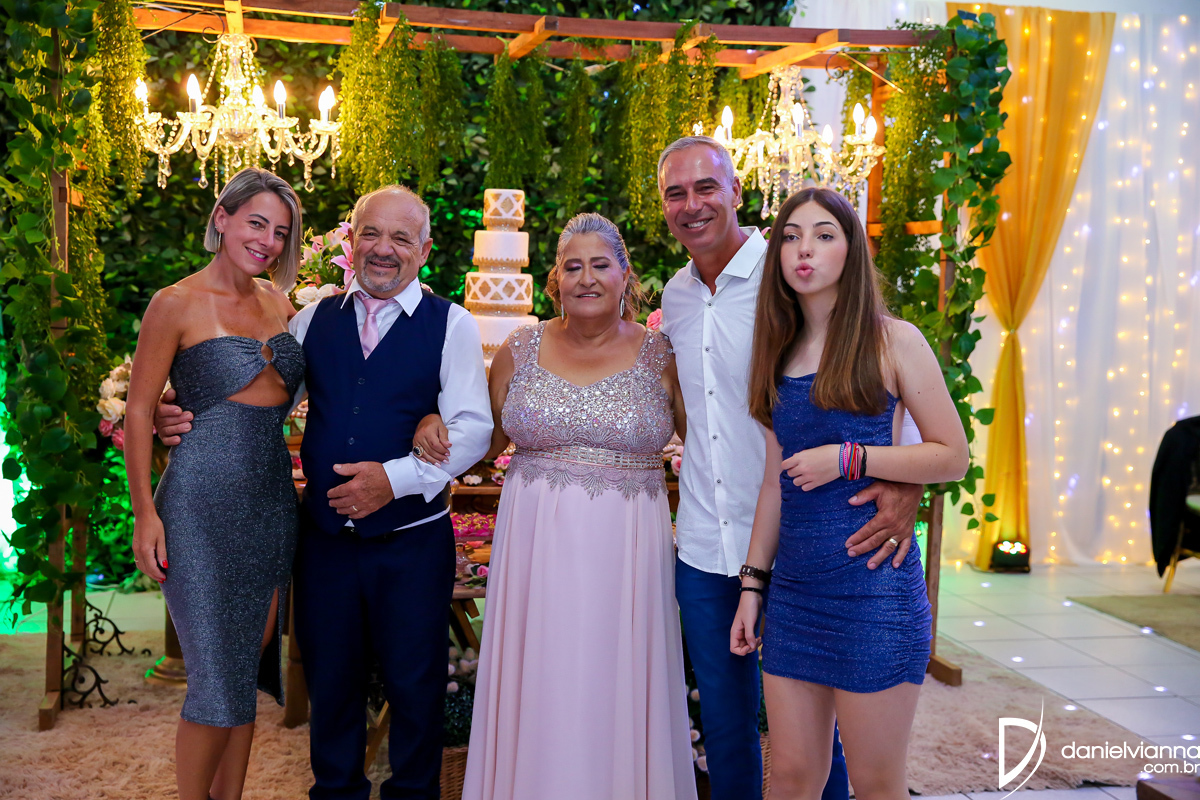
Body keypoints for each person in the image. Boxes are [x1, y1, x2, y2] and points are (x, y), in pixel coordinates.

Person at [155, 185, 492, 800]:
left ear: (424, 251)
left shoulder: (453, 323)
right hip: (326, 543)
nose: (383, 249)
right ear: (351, 242)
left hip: (412, 544)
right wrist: (176, 408)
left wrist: (396, 476)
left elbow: (473, 429)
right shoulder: (309, 321)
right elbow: (258, 394)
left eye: (401, 238)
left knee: (414, 688)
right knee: (331, 688)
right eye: (371, 234)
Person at [656, 137, 926, 800]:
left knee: (820, 740)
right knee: (726, 729)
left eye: (706, 187)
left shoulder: (791, 281)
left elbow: (887, 394)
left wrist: (905, 482)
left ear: (736, 190)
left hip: (806, 541)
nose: (692, 205)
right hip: (706, 542)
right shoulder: (676, 297)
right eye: (675, 193)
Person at [413, 213, 697, 800]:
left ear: (625, 275)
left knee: (617, 681)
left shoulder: (663, 354)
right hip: (536, 551)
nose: (586, 278)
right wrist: (430, 420)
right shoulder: (519, 348)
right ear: (555, 280)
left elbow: (709, 443)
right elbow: (480, 441)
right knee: (542, 677)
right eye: (573, 267)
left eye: (601, 265)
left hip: (628, 556)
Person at [731, 187, 968, 800]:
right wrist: (753, 586)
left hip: (873, 589)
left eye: (823, 235)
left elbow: (952, 455)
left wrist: (849, 457)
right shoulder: (776, 350)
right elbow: (774, 483)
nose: (803, 249)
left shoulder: (894, 341)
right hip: (795, 594)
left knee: (876, 782)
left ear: (851, 250)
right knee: (791, 776)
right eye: (790, 237)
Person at [125, 166, 306, 800]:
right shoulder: (174, 303)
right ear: (222, 218)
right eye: (256, 223)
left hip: (272, 502)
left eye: (279, 232)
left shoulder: (280, 305)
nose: (267, 241)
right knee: (213, 675)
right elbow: (139, 412)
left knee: (246, 661)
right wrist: (145, 514)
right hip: (197, 505)